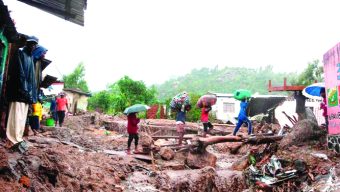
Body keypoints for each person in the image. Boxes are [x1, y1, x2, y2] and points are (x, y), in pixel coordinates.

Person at [5, 36, 38, 151]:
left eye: (35, 45)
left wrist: (31, 96)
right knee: (16, 117)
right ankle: (12, 140)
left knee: (21, 119)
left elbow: (32, 80)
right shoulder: (20, 53)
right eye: (31, 44)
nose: (33, 46)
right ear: (27, 43)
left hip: (26, 95)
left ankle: (18, 139)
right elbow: (19, 74)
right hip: (18, 92)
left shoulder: (31, 58)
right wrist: (24, 90)